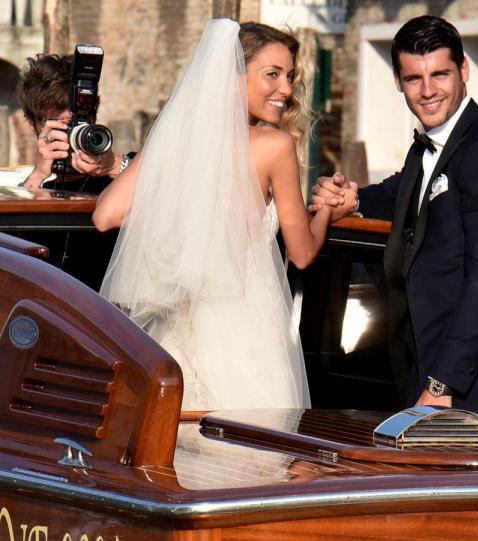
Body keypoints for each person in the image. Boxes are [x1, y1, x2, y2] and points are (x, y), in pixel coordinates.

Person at [92, 20, 348, 411]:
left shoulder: (173, 141)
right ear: (233, 75)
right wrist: (328, 209)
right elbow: (302, 253)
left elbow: (106, 215)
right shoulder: (274, 146)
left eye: (290, 76)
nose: (286, 88)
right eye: (272, 75)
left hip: (177, 336)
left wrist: (174, 210)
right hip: (248, 338)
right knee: (253, 456)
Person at [312, 15, 478, 423]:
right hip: (424, 370)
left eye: (440, 74)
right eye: (414, 78)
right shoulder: (429, 146)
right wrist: (353, 198)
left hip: (474, 390)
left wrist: (441, 385)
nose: (428, 90)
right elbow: (401, 192)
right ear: (398, 81)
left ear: (463, 70)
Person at [17, 53, 130, 195]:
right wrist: (38, 175)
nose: (72, 133)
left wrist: (114, 165)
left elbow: (160, 179)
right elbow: (18, 212)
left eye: (79, 122)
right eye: (62, 125)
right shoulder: (41, 189)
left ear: (93, 118)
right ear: (33, 125)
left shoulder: (121, 179)